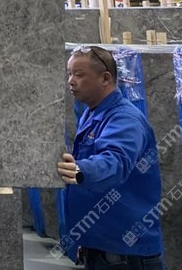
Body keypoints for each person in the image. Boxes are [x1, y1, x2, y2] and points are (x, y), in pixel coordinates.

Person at [57, 45, 164, 269]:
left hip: (124, 254)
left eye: (79, 75)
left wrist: (80, 171)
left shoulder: (124, 119)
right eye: (69, 74)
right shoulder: (93, 112)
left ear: (105, 78)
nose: (71, 81)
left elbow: (115, 161)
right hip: (103, 246)